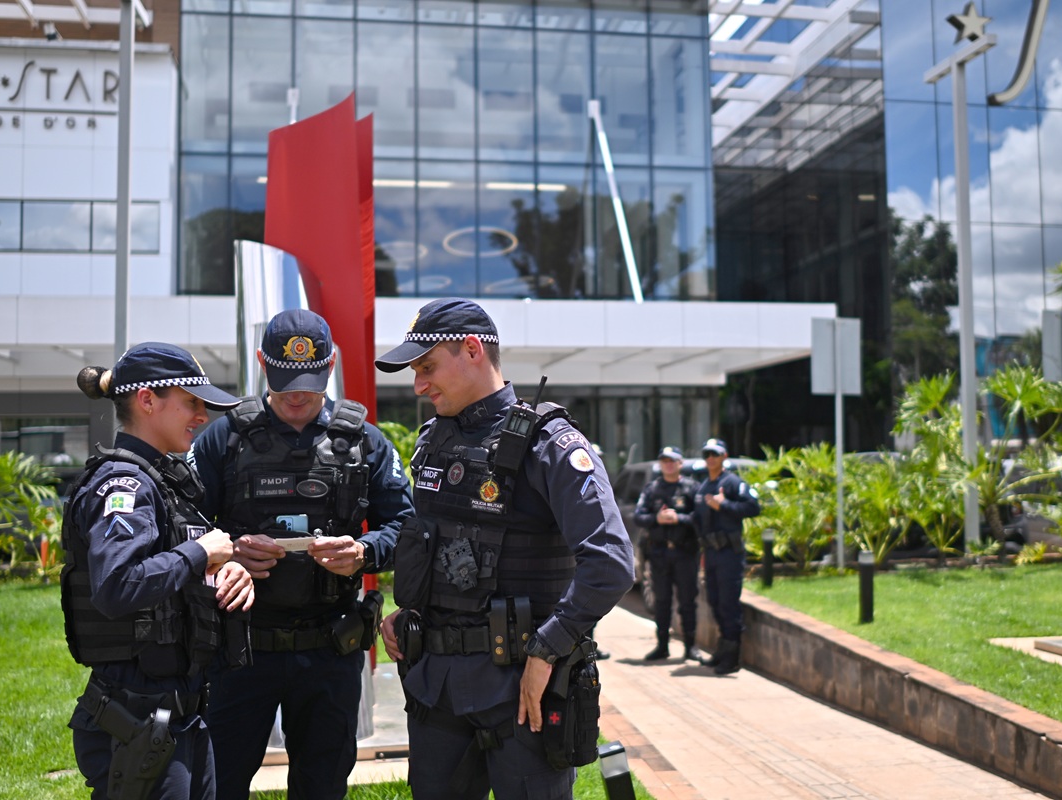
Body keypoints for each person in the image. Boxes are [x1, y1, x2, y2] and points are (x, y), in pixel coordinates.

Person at [374, 297, 634, 800]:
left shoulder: (551, 445)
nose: (418, 385)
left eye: (427, 368)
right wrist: (407, 610)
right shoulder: (432, 441)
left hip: (523, 693)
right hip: (437, 688)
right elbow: (432, 543)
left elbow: (611, 563)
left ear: (472, 350)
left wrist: (547, 650)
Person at [188, 308, 415, 800]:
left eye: (310, 382)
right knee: (218, 782)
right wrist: (225, 555)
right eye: (285, 379)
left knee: (323, 786)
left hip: (329, 649)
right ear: (260, 364)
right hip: (239, 649)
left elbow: (408, 526)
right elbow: (183, 531)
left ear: (331, 363)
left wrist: (363, 551)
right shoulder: (223, 439)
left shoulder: (364, 442)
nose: (297, 395)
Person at [62, 342, 255, 800]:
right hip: (136, 719)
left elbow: (173, 575)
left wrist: (224, 572)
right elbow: (117, 585)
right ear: (147, 401)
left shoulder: (165, 481)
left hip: (181, 711)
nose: (202, 416)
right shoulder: (123, 485)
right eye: (191, 402)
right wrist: (198, 554)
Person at [693, 438, 760, 675]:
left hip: (729, 554)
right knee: (714, 602)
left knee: (728, 604)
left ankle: (732, 658)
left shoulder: (732, 483)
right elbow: (697, 520)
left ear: (724, 456)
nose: (710, 458)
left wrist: (725, 505)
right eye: (707, 454)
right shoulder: (703, 487)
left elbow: (754, 507)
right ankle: (722, 650)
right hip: (710, 554)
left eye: (715, 454)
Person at [634, 446, 702, 662]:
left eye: (673, 460)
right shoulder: (652, 489)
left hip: (685, 552)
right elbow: (638, 516)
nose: (669, 464)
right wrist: (657, 518)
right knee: (661, 601)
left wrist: (679, 519)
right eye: (664, 460)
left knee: (687, 600)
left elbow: (700, 518)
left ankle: (691, 646)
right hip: (659, 553)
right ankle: (662, 645)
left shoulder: (691, 488)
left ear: (680, 463)